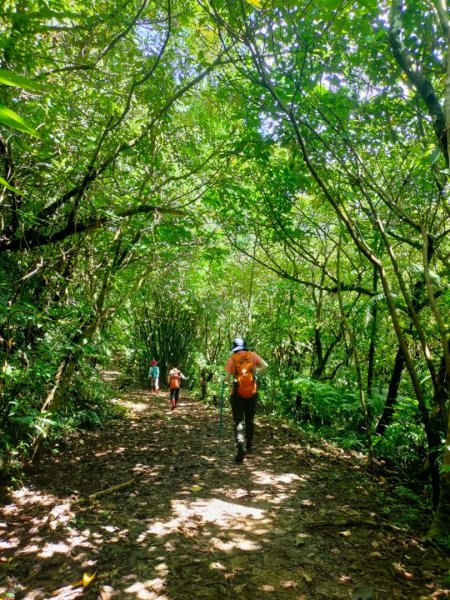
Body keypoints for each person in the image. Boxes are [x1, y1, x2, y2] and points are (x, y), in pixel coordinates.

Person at [224, 337, 268, 463]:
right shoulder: (252, 355)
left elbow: (227, 378)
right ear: (245, 346)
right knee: (250, 419)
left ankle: (240, 445)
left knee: (238, 421)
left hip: (237, 394)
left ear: (234, 348)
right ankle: (249, 445)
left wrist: (224, 380)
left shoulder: (232, 359)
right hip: (252, 393)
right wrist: (256, 376)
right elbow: (265, 366)